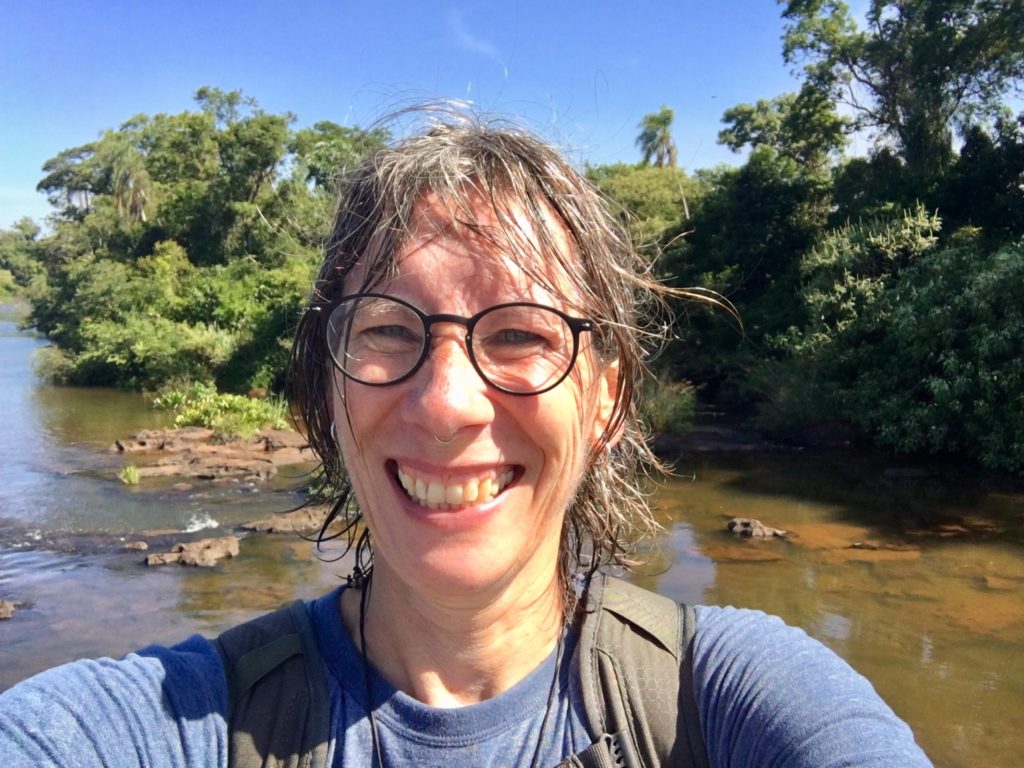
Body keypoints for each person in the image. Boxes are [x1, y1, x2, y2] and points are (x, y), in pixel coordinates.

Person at [0, 111, 933, 768]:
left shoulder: (726, 702)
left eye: (522, 334)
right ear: (326, 397)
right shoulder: (188, 721)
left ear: (607, 402)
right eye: (387, 332)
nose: (447, 404)